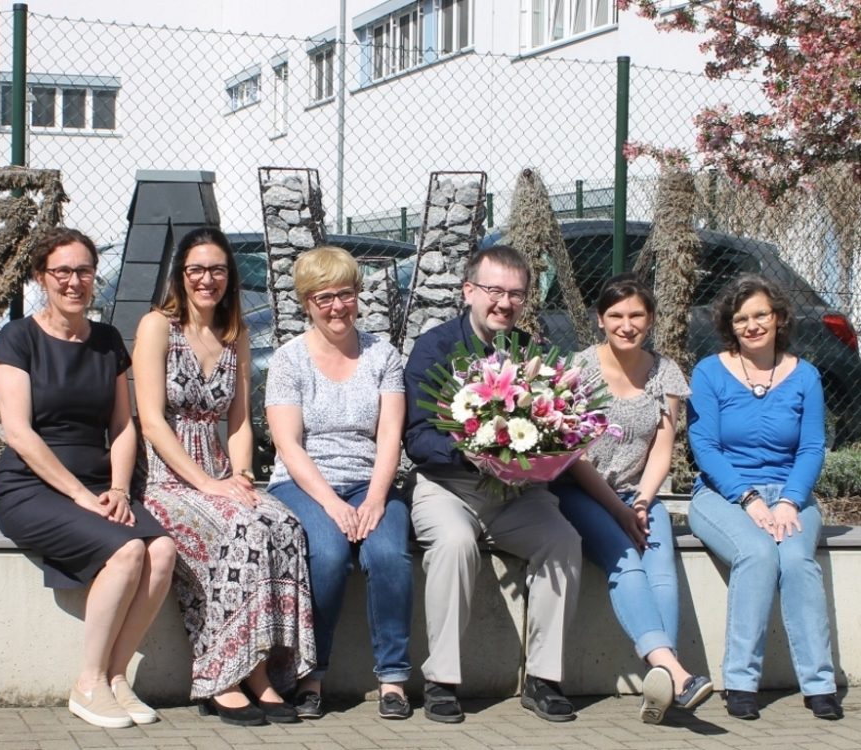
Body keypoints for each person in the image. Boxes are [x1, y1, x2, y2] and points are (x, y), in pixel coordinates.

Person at [0, 227, 176, 729]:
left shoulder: (108, 341)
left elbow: (121, 425)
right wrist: (79, 496)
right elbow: (19, 433)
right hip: (31, 487)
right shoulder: (18, 338)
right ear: (41, 277)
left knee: (161, 551)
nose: (74, 281)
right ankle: (88, 683)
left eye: (84, 270)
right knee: (128, 549)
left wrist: (116, 489)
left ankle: (116, 678)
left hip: (98, 486)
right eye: (62, 271)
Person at [132, 227, 315, 727]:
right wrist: (208, 485)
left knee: (282, 523)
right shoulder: (157, 326)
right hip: (165, 477)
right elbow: (150, 420)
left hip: (217, 469)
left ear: (229, 276)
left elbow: (238, 420)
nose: (206, 279)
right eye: (196, 270)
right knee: (243, 531)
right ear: (181, 275)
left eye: (216, 269)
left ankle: (260, 669)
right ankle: (222, 676)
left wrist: (239, 474)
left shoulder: (236, 333)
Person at [404, 244, 581, 724]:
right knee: (456, 544)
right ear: (468, 291)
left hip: (518, 496)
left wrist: (546, 450)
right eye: (494, 291)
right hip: (449, 488)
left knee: (563, 541)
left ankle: (544, 680)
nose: (505, 303)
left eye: (516, 294)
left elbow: (558, 429)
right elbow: (417, 436)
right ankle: (441, 681)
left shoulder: (535, 356)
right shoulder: (435, 348)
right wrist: (470, 453)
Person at [551, 273, 712, 724]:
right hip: (580, 490)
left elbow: (663, 448)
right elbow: (573, 455)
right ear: (600, 320)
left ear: (651, 319)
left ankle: (666, 680)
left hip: (639, 493)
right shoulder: (575, 369)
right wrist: (620, 509)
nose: (626, 324)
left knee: (661, 567)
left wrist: (641, 501)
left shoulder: (667, 373)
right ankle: (678, 674)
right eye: (616, 315)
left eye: (636, 315)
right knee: (626, 557)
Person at [266, 246, 414, 721]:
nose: (337, 307)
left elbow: (390, 435)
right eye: (323, 297)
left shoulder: (383, 355)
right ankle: (310, 676)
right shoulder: (289, 360)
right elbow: (288, 443)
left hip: (369, 481)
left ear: (358, 295)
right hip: (304, 483)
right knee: (327, 554)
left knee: (389, 554)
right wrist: (331, 503)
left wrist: (374, 498)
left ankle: (393, 679)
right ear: (306, 302)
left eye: (345, 294)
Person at [687, 274, 842, 721]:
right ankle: (740, 682)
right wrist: (750, 498)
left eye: (760, 315)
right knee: (757, 554)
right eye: (741, 319)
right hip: (723, 495)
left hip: (791, 497)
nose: (752, 325)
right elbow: (705, 447)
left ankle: (819, 685)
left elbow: (812, 448)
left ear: (777, 318)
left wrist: (790, 500)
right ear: (730, 325)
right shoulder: (709, 372)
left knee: (796, 561)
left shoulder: (806, 376)